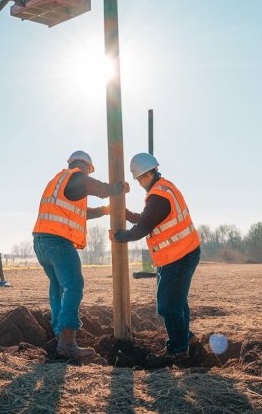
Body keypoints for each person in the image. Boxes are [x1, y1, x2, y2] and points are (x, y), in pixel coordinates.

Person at [33, 150, 128, 361]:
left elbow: (77, 213)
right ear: (85, 167)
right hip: (58, 242)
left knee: (58, 287)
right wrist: (119, 188)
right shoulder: (76, 177)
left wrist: (103, 211)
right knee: (74, 285)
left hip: (41, 241)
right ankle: (67, 342)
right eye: (88, 171)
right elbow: (101, 189)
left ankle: (59, 334)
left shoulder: (59, 181)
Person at [111, 152, 201, 363]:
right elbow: (149, 219)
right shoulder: (164, 189)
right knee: (177, 302)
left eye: (138, 179)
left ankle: (179, 351)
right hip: (180, 253)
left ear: (145, 176)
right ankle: (186, 339)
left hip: (179, 256)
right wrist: (126, 214)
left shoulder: (158, 197)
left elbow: (142, 228)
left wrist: (119, 236)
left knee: (168, 306)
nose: (139, 183)